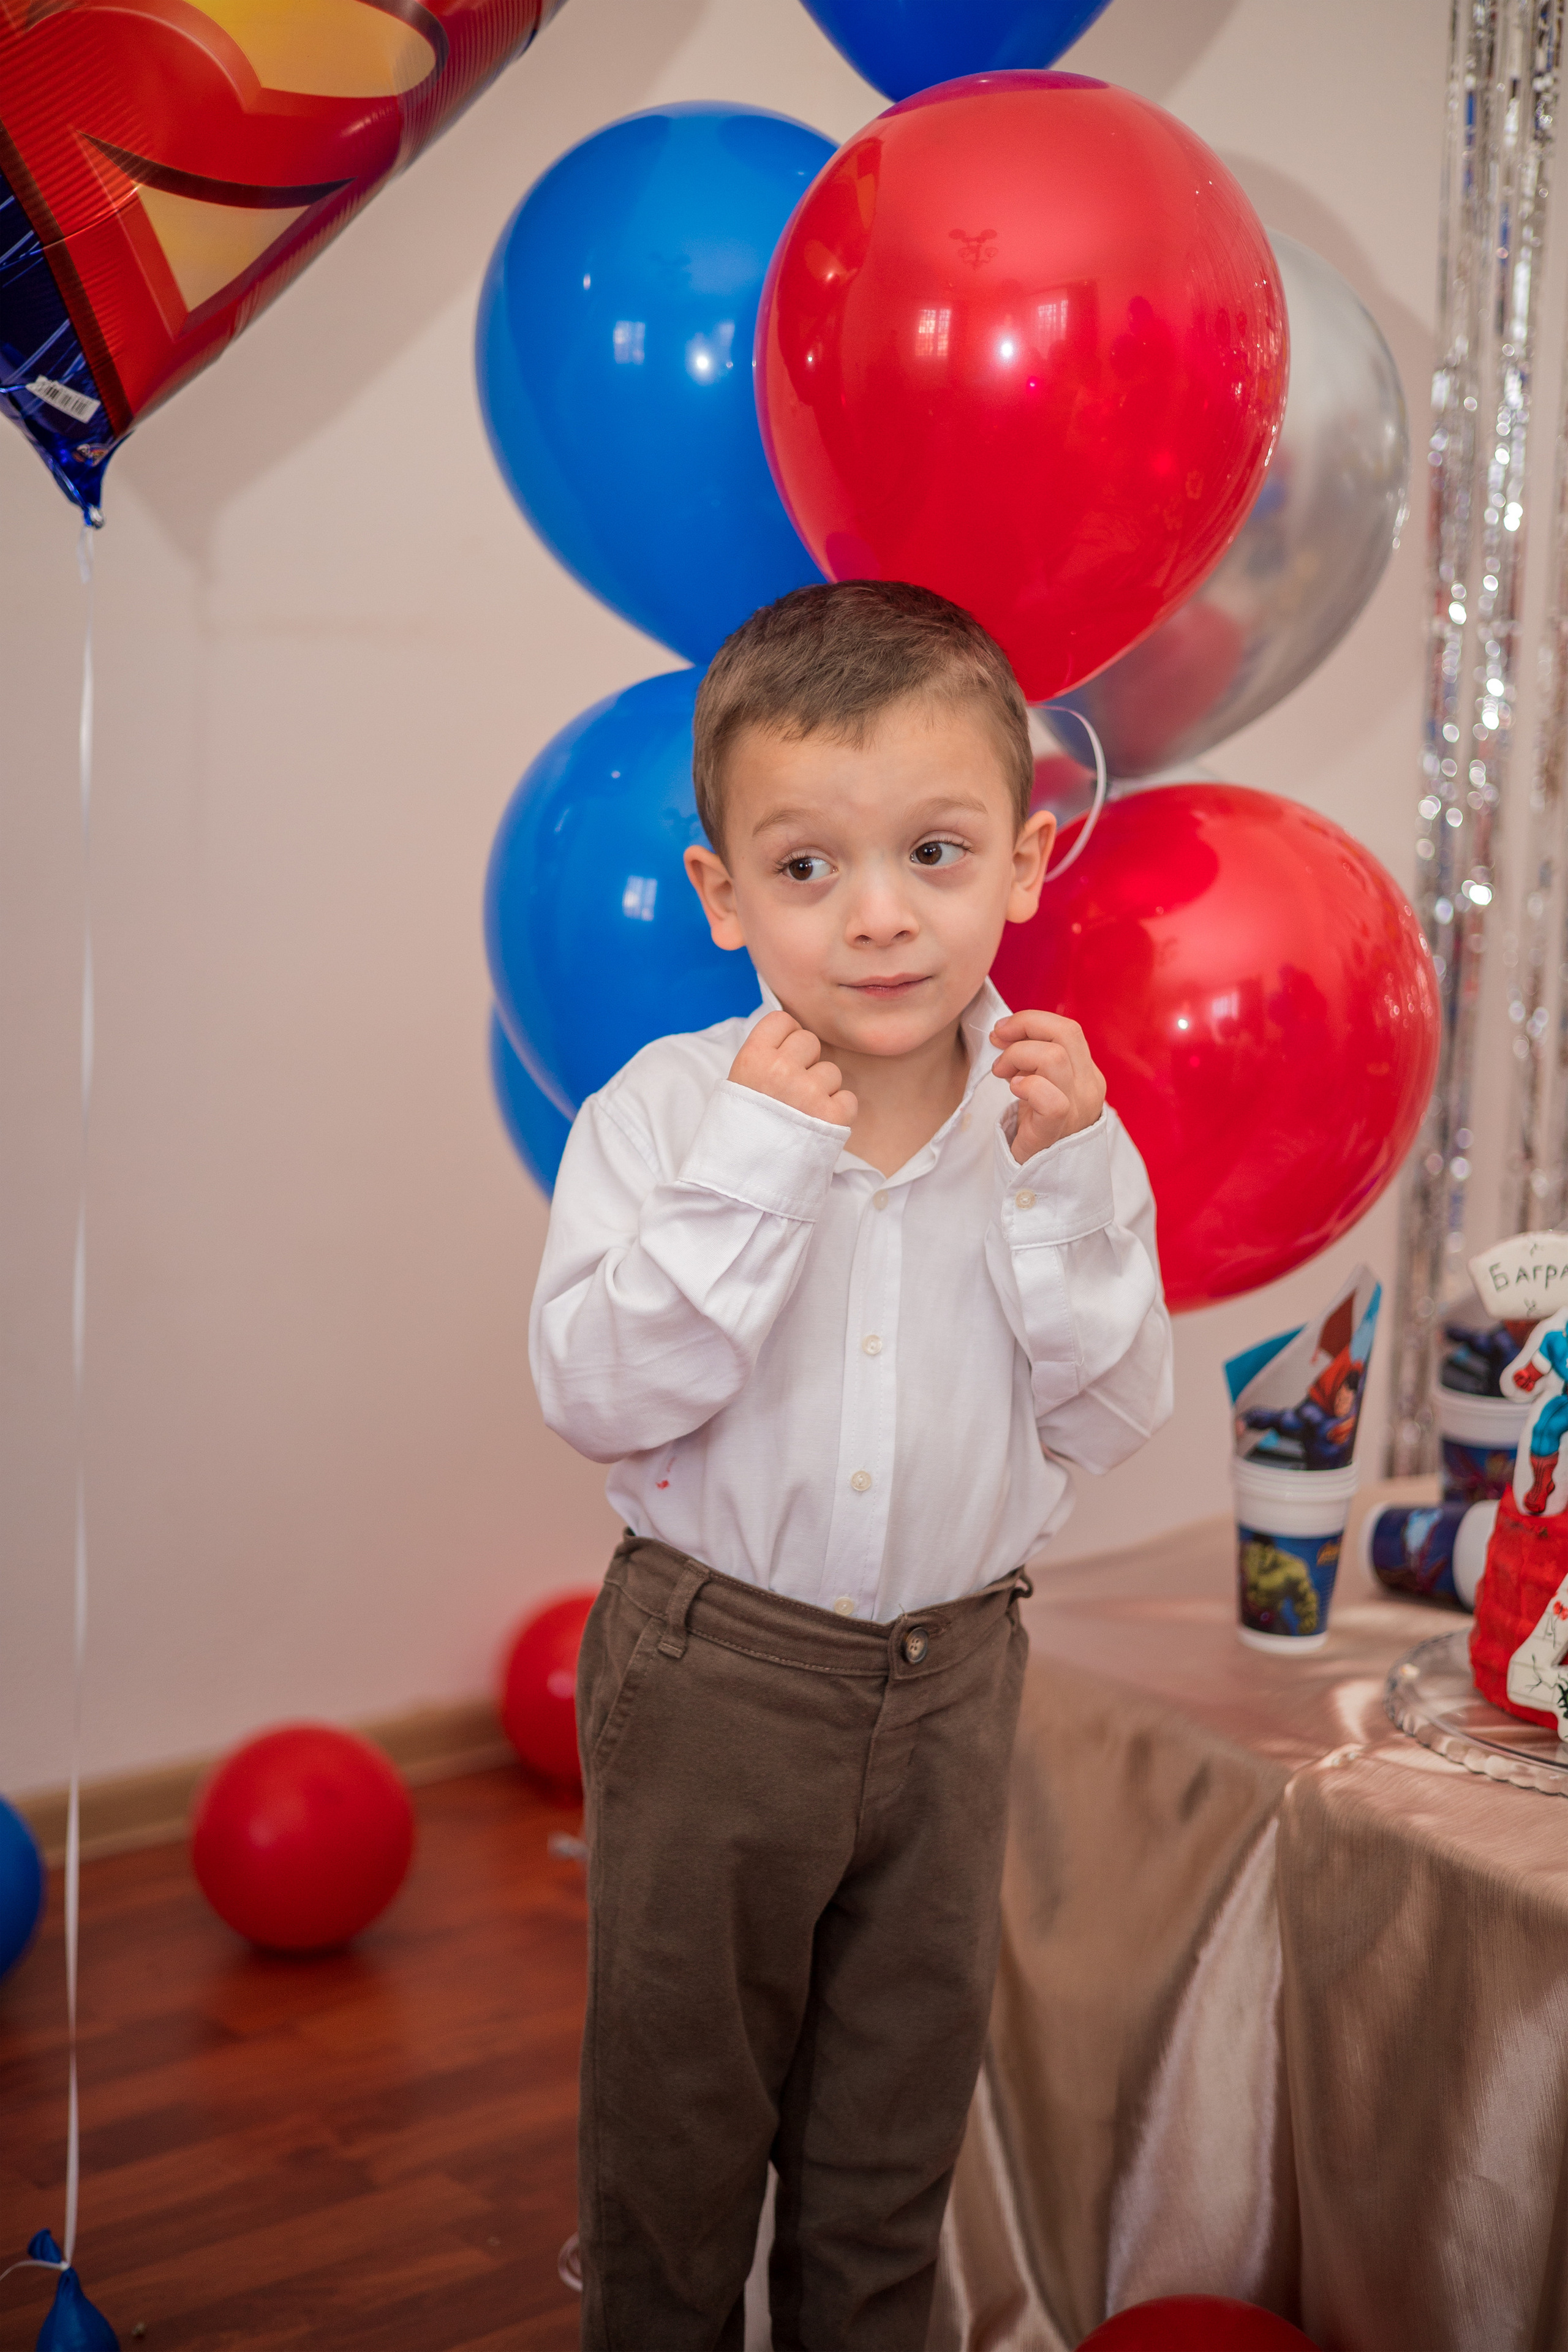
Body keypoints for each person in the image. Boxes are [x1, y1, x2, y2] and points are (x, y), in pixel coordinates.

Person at [530, 580, 1174, 2352]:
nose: (879, 920)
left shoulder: (1052, 1131)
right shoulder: (663, 1118)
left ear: (1027, 864)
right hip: (711, 1677)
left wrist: (1065, 1194)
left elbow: (1113, 1411)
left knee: (890, 2140)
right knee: (674, 2135)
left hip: (959, 1685)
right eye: (808, 868)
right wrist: (755, 1166)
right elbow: (597, 1392)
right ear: (726, 894)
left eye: (937, 853)